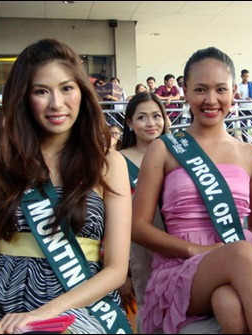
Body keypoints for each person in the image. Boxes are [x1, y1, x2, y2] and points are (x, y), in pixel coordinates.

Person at [0, 38, 132, 334]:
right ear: (24, 97)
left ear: (82, 92)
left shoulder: (108, 163)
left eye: (67, 88)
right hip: (1, 307)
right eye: (42, 91)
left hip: (79, 308)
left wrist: (46, 313)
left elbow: (117, 270)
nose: (57, 104)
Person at [131, 46, 252, 334]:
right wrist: (196, 249)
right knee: (241, 254)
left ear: (233, 93)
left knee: (229, 305)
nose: (211, 100)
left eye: (221, 90)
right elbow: (138, 227)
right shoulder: (164, 149)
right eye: (201, 89)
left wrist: (228, 263)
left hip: (236, 268)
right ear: (186, 91)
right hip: (180, 268)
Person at [117, 91, 170, 329]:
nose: (151, 123)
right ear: (129, 122)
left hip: (177, 250)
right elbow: (109, 221)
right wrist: (122, 273)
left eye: (157, 116)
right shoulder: (116, 161)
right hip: (138, 258)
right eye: (142, 117)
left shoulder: (178, 156)